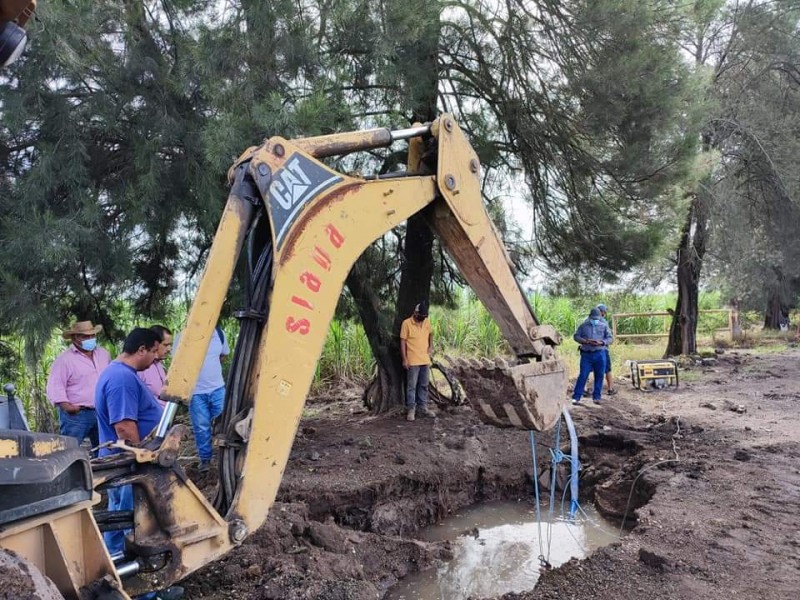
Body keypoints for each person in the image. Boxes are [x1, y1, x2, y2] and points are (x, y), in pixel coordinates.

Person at [46, 320, 111, 450]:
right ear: (75, 338)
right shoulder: (65, 360)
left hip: (102, 410)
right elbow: (55, 385)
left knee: (105, 448)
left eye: (92, 336)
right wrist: (68, 407)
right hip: (78, 414)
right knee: (69, 450)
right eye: (85, 337)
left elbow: (110, 378)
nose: (90, 339)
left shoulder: (103, 354)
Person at [175, 325, 230, 472]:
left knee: (224, 423)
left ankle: (224, 459)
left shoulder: (219, 333)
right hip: (196, 392)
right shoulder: (183, 336)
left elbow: (223, 355)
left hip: (218, 388)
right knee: (201, 427)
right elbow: (178, 363)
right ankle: (205, 461)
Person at [400, 300, 435, 422]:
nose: (422, 318)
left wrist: (431, 347)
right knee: (411, 386)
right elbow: (403, 342)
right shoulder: (406, 323)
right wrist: (404, 359)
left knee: (424, 385)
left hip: (425, 359)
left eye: (424, 317)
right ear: (415, 313)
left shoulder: (426, 322)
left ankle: (423, 408)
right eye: (420, 316)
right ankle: (411, 409)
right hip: (412, 360)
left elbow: (431, 334)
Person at [572, 308, 613, 406]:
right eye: (593, 318)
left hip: (600, 353)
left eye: (596, 319)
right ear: (590, 317)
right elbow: (576, 336)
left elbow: (610, 338)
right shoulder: (583, 326)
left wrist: (602, 342)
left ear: (599, 318)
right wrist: (584, 341)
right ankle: (576, 397)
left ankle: (597, 397)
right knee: (583, 375)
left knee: (599, 375)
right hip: (586, 354)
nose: (594, 320)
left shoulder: (604, 326)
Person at [138, 325, 172, 406]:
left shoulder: (159, 365)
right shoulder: (141, 368)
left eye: (170, 345)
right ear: (155, 344)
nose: (169, 349)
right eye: (165, 345)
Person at [596, 304, 617, 395]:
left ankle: (584, 390)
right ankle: (610, 388)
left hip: (588, 350)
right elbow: (609, 338)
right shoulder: (604, 322)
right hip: (602, 349)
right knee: (607, 369)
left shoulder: (586, 321)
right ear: (602, 312)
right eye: (604, 312)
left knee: (587, 369)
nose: (604, 313)